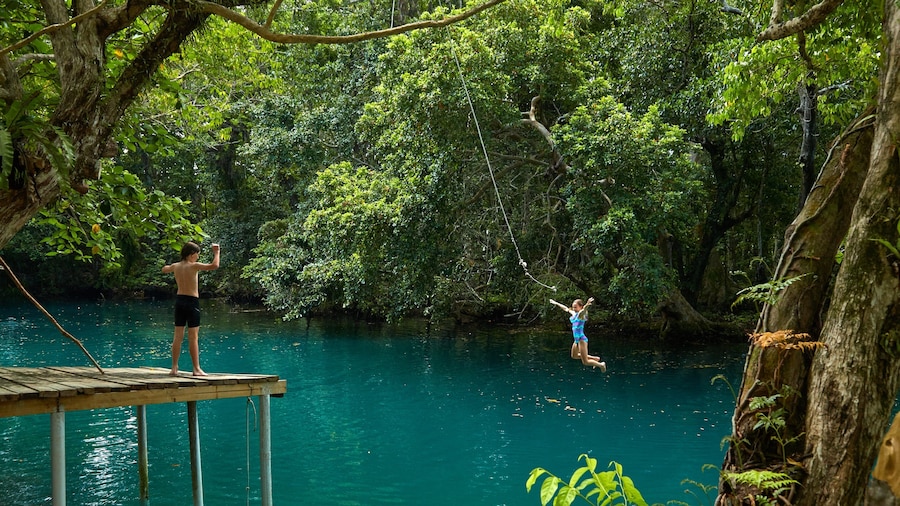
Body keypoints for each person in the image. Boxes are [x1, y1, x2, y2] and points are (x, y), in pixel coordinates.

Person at [162, 241, 220, 376]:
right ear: (191, 254)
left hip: (179, 301)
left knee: (177, 336)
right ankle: (196, 369)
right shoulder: (194, 266)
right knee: (193, 337)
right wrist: (216, 252)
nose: (198, 257)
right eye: (197, 254)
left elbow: (165, 269)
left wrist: (167, 267)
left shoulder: (176, 266)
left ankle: (174, 368)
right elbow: (214, 265)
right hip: (191, 302)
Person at [549, 297, 606, 371]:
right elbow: (566, 308)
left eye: (575, 307)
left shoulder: (581, 316)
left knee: (585, 362)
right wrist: (556, 303)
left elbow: (583, 311)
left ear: (581, 307)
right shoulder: (574, 313)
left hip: (581, 339)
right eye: (573, 307)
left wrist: (587, 305)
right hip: (576, 340)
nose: (574, 308)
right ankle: (595, 358)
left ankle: (601, 365)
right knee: (574, 355)